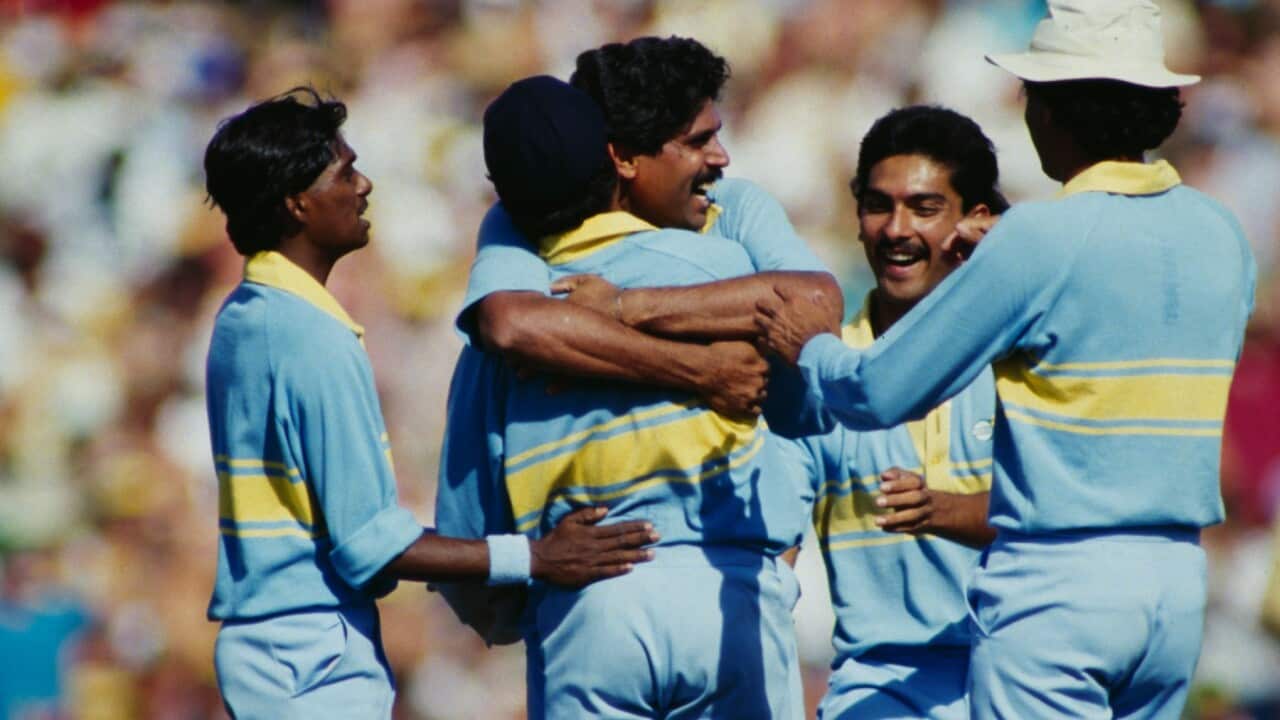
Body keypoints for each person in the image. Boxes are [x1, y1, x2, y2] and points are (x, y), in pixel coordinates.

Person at [755, 2, 1257, 718]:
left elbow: (875, 393)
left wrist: (809, 343)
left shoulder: (1037, 236)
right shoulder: (1220, 232)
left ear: (1054, 112)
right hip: (1175, 589)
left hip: (1058, 585)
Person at [201, 88, 655, 718]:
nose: (363, 186)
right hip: (309, 653)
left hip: (273, 649)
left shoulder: (242, 316)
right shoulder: (309, 336)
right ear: (296, 203)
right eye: (345, 171)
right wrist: (538, 557)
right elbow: (370, 545)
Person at [437, 75, 812, 719]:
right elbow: (802, 414)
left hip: (587, 604)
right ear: (615, 164)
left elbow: (466, 531)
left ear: (502, 199)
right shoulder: (720, 271)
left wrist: (510, 614)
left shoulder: (501, 330)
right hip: (726, 589)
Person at [457, 36, 842, 418]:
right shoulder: (518, 220)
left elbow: (818, 301)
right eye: (698, 141)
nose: (722, 156)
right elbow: (511, 325)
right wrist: (702, 369)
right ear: (624, 158)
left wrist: (624, 306)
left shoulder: (733, 202)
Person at [790, 105, 1004, 720]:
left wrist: (944, 510)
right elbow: (773, 561)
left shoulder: (1022, 359)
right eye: (879, 205)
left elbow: (1062, 518)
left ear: (977, 220)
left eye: (925, 208)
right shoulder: (824, 370)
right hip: (880, 692)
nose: (896, 229)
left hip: (1022, 677)